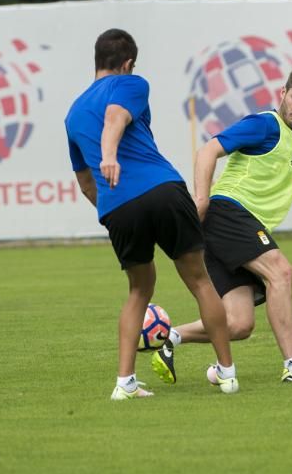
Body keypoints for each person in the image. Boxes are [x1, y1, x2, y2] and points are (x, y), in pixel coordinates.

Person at [151, 64, 292, 385]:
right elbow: (208, 150)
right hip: (228, 213)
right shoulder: (264, 125)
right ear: (283, 93)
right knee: (282, 272)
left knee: (239, 325)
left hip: (231, 227)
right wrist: (201, 200)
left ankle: (169, 338)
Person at [64, 28, 237, 400]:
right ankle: (226, 373)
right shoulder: (131, 84)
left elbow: (84, 181)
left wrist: (113, 208)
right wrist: (110, 154)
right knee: (200, 281)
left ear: (96, 61)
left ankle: (124, 383)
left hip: (118, 206)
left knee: (139, 288)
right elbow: (114, 117)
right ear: (127, 64)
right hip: (161, 190)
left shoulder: (73, 114)